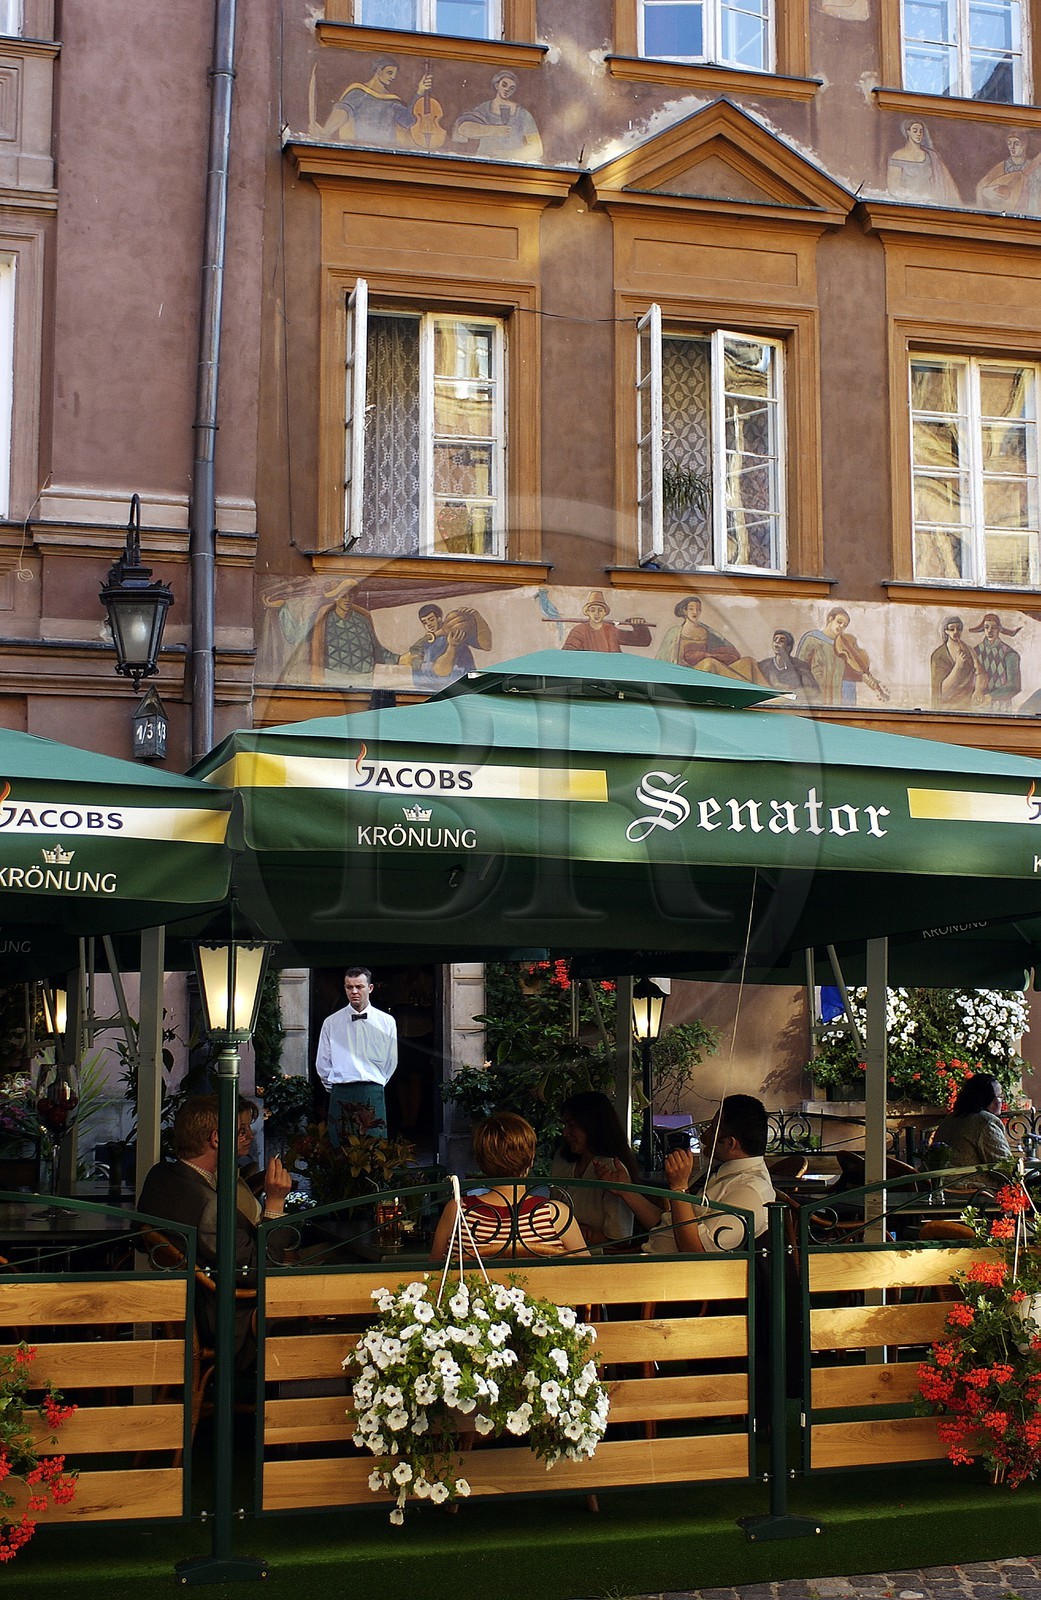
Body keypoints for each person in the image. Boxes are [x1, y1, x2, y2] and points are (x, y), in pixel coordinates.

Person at [138, 1095, 293, 1356]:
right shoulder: (209, 1207)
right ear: (217, 1139)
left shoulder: (160, 1175)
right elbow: (256, 1270)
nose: (248, 1137)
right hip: (228, 1320)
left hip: (190, 1309)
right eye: (240, 1131)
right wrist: (275, 1203)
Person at [430, 1112, 587, 1260]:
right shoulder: (555, 1215)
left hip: (478, 1289)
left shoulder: (458, 1210)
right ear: (531, 1159)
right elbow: (590, 1272)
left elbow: (433, 1272)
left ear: (480, 1162)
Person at [645, 1094, 775, 1254]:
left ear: (730, 1143)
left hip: (672, 1274)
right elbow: (668, 1225)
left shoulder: (747, 1190)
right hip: (651, 1262)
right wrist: (625, 1191)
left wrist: (679, 1189)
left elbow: (698, 1252)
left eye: (712, 1129)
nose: (704, 1135)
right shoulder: (722, 1173)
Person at [550, 1091, 659, 1247]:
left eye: (572, 1125)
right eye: (565, 1125)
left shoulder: (612, 1169)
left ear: (592, 1125)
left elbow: (620, 1238)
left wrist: (579, 1233)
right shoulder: (563, 1159)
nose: (565, 1132)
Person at [315, 966, 398, 1147]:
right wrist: (335, 1086)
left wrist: (377, 1082)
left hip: (372, 1090)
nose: (354, 991)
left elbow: (391, 1060)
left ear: (370, 988)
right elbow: (322, 1062)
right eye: (349, 987)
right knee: (339, 1147)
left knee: (375, 1148)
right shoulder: (331, 1023)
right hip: (340, 1091)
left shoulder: (386, 1022)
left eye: (359, 986)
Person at [452, 69, 543, 162]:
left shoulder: (523, 114)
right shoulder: (485, 109)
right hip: (483, 161)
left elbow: (536, 149)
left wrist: (506, 154)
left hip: (512, 164)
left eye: (511, 88)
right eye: (504, 85)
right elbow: (463, 129)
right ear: (497, 85)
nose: (507, 89)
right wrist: (495, 130)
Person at [933, 1073, 1012, 1179]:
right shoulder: (986, 1122)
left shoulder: (951, 1117)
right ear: (987, 1099)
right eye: (999, 1096)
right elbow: (1006, 1170)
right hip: (970, 1191)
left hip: (939, 1187)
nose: (1001, 1101)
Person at [561, 591, 652, 653]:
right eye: (592, 610)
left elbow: (643, 641)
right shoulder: (579, 631)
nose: (596, 613)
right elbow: (568, 652)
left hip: (610, 672)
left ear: (605, 613)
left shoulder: (611, 630)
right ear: (588, 612)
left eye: (600, 610)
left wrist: (639, 626)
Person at [929, 616, 985, 710]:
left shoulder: (969, 650)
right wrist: (958, 666)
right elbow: (941, 691)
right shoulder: (938, 655)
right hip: (947, 708)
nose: (955, 632)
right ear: (946, 631)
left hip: (967, 705)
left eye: (958, 629)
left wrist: (978, 690)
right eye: (952, 629)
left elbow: (980, 672)